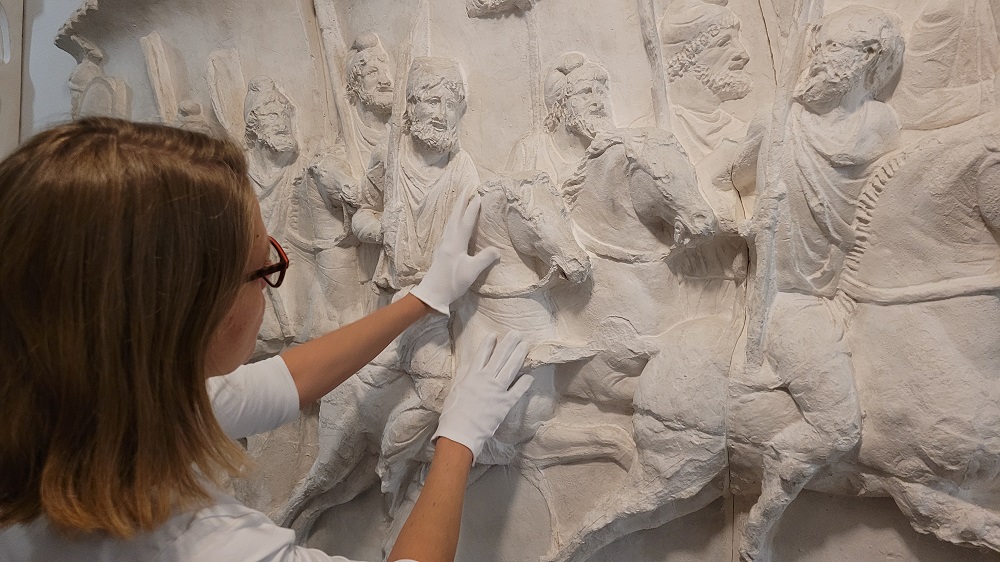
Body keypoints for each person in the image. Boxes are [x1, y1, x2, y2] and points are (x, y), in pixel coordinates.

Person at [0, 117, 533, 562]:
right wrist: (457, 440)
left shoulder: (89, 405)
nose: (273, 277)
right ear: (190, 313)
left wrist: (423, 298)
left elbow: (282, 381)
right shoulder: (202, 547)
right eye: (264, 268)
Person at [505, 51, 616, 185]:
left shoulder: (615, 154)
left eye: (601, 93)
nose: (599, 103)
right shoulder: (529, 153)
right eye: (586, 92)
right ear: (560, 105)